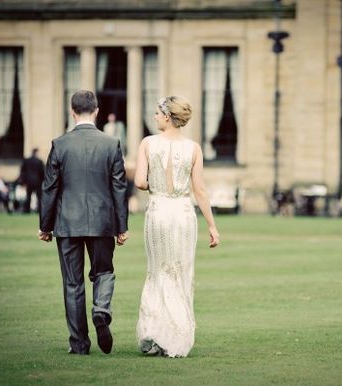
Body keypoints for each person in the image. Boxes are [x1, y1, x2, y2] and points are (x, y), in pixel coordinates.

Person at [39, 90, 129, 355]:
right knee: (103, 272)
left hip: (67, 223)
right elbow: (119, 189)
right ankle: (101, 309)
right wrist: (122, 227)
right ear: (97, 111)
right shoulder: (111, 144)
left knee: (73, 283)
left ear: (72, 111)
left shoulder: (60, 144)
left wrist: (45, 226)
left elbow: (49, 188)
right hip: (103, 223)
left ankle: (79, 344)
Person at [134, 96, 220, 358]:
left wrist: (155, 184)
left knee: (158, 271)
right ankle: (175, 335)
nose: (155, 117)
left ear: (168, 116)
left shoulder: (148, 144)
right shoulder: (193, 148)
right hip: (183, 214)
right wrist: (212, 226)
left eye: (158, 113)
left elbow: (139, 182)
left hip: (159, 211)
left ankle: (156, 332)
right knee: (180, 272)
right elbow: (200, 191)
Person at [18, 147, 45, 213]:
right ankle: (39, 210)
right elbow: (42, 172)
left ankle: (27, 210)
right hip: (37, 181)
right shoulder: (39, 161)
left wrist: (23, 181)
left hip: (28, 181)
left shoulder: (26, 161)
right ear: (37, 152)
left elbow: (22, 172)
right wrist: (43, 180)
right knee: (39, 197)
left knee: (28, 196)